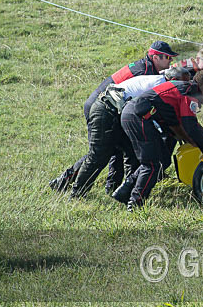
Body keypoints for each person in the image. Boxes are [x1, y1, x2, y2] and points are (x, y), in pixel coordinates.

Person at [49, 41, 178, 193]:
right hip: (102, 106)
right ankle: (65, 181)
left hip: (112, 107)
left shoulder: (148, 68)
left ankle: (113, 187)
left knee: (119, 148)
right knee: (101, 152)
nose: (171, 61)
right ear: (156, 57)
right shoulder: (145, 72)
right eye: (168, 58)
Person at [67, 66, 191, 200]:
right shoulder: (159, 85)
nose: (185, 88)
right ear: (173, 80)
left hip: (121, 113)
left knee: (133, 152)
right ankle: (76, 195)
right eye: (184, 84)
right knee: (99, 155)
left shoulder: (163, 83)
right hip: (106, 110)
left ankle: (125, 192)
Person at [117, 70, 203, 211]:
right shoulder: (190, 92)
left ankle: (124, 191)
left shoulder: (187, 89)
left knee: (163, 160)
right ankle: (135, 204)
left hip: (137, 114)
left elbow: (184, 123)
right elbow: (190, 126)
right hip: (138, 116)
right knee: (152, 164)